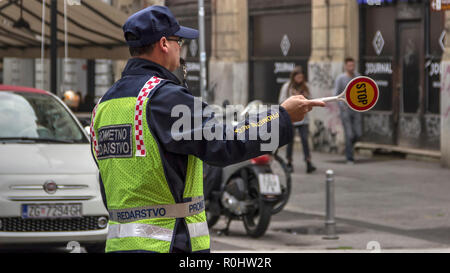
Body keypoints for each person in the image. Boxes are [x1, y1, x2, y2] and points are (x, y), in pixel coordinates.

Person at [90, 5, 325, 253]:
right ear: (163, 44)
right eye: (178, 40)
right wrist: (282, 117)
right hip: (169, 245)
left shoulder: (104, 105)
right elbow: (226, 143)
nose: (181, 48)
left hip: (119, 246)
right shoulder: (164, 98)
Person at [279, 66, 316, 174]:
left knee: (305, 140)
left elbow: (312, 100)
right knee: (290, 140)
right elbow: (281, 101)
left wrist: (306, 97)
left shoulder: (306, 87)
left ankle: (308, 162)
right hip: (291, 118)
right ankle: (289, 162)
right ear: (294, 77)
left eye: (301, 77)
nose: (300, 79)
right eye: (298, 77)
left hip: (304, 118)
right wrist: (293, 99)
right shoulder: (287, 87)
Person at [334, 57, 362, 164]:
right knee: (349, 134)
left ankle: (348, 148)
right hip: (345, 111)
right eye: (349, 65)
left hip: (356, 110)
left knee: (358, 134)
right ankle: (349, 157)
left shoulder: (358, 76)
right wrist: (342, 106)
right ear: (345, 66)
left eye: (353, 65)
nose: (351, 68)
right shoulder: (340, 78)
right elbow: (336, 94)